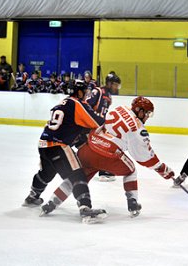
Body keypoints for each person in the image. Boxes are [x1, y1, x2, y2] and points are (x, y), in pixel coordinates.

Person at [40, 96, 175, 217]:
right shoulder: (138, 129)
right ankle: (132, 203)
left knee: (77, 177)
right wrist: (162, 169)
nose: (147, 117)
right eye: (147, 114)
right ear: (140, 111)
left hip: (89, 148)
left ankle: (51, 203)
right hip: (109, 156)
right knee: (131, 171)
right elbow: (144, 157)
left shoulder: (120, 109)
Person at [22, 79, 107, 223]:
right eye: (85, 91)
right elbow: (97, 122)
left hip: (43, 144)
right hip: (58, 145)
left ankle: (32, 197)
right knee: (78, 174)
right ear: (78, 92)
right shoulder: (77, 104)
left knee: (46, 172)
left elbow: (70, 125)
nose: (86, 95)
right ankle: (85, 208)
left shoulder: (63, 103)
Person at [86, 72, 121, 182]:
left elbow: (103, 112)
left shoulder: (109, 96)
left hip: (98, 126)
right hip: (89, 125)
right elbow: (86, 105)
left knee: (104, 145)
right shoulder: (98, 91)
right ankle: (103, 171)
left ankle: (103, 170)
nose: (117, 87)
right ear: (109, 83)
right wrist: (93, 119)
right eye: (115, 85)